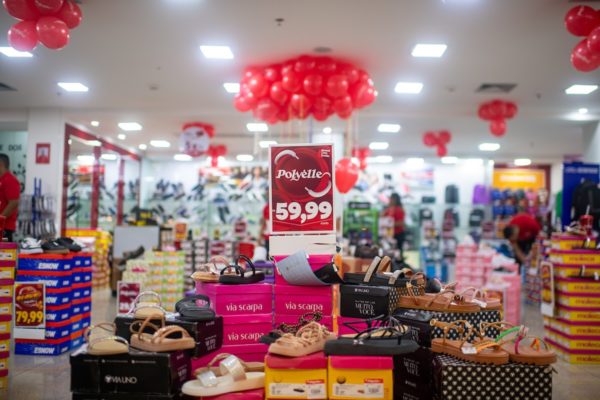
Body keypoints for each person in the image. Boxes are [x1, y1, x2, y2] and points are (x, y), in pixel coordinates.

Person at [0, 154, 20, 242]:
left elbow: (14, 203)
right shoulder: (2, 180)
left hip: (5, 228)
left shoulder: (10, 180)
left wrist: (0, 219)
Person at [384, 193, 406, 259]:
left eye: (391, 199)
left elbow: (401, 223)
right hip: (389, 234)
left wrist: (390, 224)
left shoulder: (399, 209)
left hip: (398, 234)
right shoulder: (389, 209)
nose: (390, 200)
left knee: (398, 253)